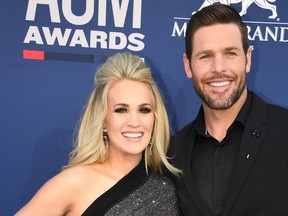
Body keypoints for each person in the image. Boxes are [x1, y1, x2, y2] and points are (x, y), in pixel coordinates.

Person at [15, 52, 181, 216]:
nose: (135, 122)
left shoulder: (163, 191)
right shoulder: (75, 182)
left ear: (155, 118)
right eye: (121, 110)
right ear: (102, 120)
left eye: (144, 110)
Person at [167, 3, 288, 216]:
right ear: (188, 65)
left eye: (230, 53)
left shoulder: (284, 130)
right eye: (205, 56)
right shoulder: (173, 152)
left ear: (248, 59)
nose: (219, 68)